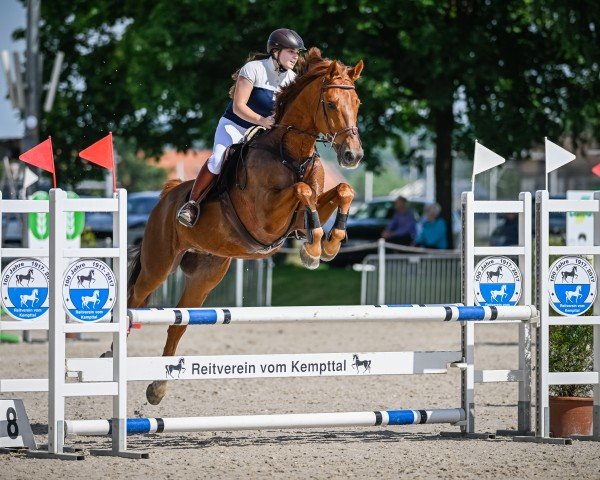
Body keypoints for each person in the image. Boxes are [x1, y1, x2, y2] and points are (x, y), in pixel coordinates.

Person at [177, 28, 306, 227]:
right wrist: (262, 120)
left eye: (297, 53)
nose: (295, 56)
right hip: (234, 126)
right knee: (218, 159)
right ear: (275, 51)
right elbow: (238, 107)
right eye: (291, 51)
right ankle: (192, 204)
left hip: (263, 132)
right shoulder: (253, 69)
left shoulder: (292, 79)